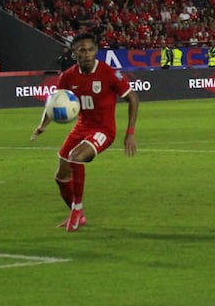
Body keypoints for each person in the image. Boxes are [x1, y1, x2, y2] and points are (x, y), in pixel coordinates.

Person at [30, 32, 139, 232]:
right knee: (61, 175)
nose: (87, 54)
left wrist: (130, 133)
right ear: (74, 52)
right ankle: (77, 214)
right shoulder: (68, 76)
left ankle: (77, 211)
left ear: (96, 51)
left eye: (90, 50)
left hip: (103, 130)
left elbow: (132, 98)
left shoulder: (108, 73)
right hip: (81, 128)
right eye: (82, 50)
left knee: (75, 157)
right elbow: (55, 102)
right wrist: (43, 125)